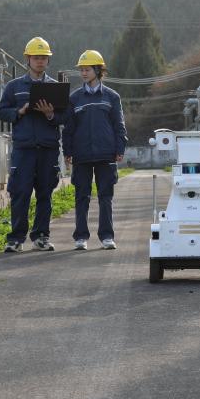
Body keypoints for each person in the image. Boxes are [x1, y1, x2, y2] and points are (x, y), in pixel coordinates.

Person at [0, 36, 64, 253]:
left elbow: (65, 117)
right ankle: (16, 238)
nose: (40, 61)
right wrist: (20, 111)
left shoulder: (55, 88)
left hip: (47, 149)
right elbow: (2, 112)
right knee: (20, 193)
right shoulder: (14, 87)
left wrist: (50, 114)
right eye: (36, 57)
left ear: (48, 60)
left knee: (45, 194)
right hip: (24, 149)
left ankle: (41, 237)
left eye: (43, 57)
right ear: (28, 59)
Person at [62, 50, 127, 251]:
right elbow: (69, 128)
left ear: (98, 70)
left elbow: (119, 125)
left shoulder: (112, 97)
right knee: (81, 197)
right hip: (81, 155)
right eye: (81, 69)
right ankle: (81, 237)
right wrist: (67, 151)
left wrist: (120, 147)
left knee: (105, 197)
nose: (83, 73)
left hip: (106, 154)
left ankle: (107, 236)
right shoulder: (74, 98)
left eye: (87, 69)